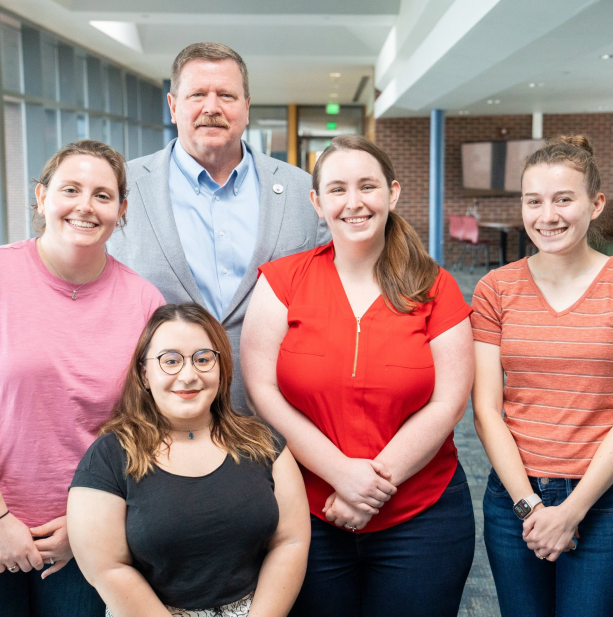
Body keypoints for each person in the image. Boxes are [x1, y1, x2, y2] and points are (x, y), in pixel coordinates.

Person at [241, 135, 476, 617]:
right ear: (317, 203)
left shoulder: (435, 286)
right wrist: (340, 474)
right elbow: (263, 390)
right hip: (307, 511)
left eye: (367, 186)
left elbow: (449, 402)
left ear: (391, 194)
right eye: (337, 189)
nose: (354, 202)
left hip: (422, 516)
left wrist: (368, 489)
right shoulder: (282, 282)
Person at [108, 42, 329, 414]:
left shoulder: (300, 190)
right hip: (158, 416)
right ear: (174, 105)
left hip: (276, 417)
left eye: (226, 95)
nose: (212, 107)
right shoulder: (120, 187)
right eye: (197, 94)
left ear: (246, 107)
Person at [472, 135, 613, 617]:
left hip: (605, 501)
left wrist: (571, 511)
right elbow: (485, 410)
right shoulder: (495, 289)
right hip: (513, 500)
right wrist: (530, 507)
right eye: (534, 201)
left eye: (564, 199)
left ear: (596, 204)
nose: (548, 216)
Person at [0, 140, 165, 616]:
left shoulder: (143, 302)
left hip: (84, 535)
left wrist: (88, 524)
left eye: (102, 195)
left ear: (122, 209)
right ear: (41, 197)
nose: (85, 207)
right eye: (70, 189)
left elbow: (147, 428)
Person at [67, 303, 310, 616]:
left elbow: (290, 543)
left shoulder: (263, 443)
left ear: (221, 369)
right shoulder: (110, 456)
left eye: (203, 359)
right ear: (144, 372)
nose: (188, 375)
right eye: (170, 361)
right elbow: (107, 568)